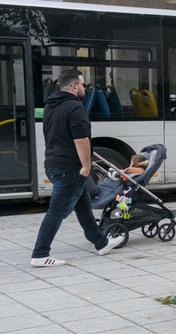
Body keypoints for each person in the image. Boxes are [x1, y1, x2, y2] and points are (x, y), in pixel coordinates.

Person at [31, 69, 125, 267]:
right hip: (70, 168)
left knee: (83, 207)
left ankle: (101, 243)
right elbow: (81, 140)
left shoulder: (51, 106)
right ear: (74, 86)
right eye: (82, 84)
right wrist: (86, 166)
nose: (84, 88)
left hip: (53, 164)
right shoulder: (75, 108)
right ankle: (40, 254)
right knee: (57, 212)